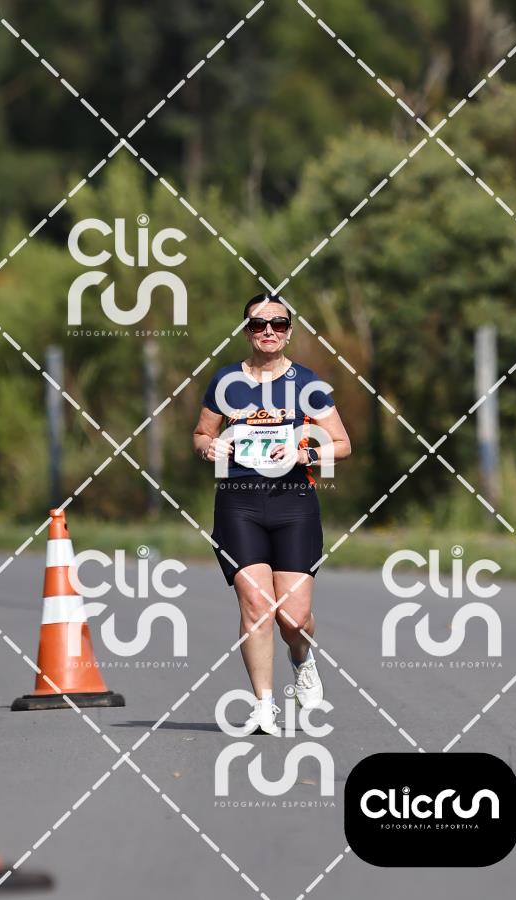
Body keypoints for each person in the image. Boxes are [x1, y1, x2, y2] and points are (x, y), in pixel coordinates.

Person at [193, 293, 351, 735]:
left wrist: (305, 452)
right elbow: (202, 433)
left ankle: (302, 658)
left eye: (278, 323)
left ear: (289, 331)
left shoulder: (308, 383)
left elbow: (342, 444)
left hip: (293, 503)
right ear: (246, 331)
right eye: (259, 324)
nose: (268, 331)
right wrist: (209, 448)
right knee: (257, 608)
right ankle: (265, 705)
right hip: (239, 503)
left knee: (293, 618)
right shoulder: (226, 381)